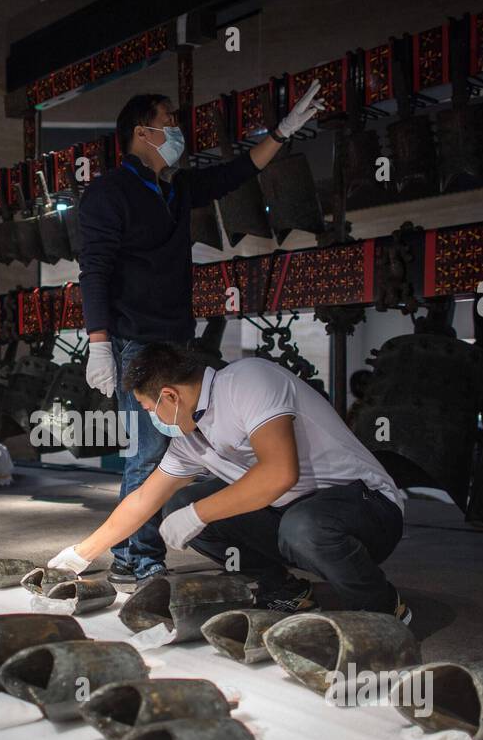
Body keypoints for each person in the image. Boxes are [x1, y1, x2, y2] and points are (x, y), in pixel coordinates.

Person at [78, 82, 324, 590]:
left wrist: (281, 132)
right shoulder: (108, 193)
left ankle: (147, 545)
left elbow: (236, 173)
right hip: (135, 341)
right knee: (149, 452)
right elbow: (95, 270)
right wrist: (99, 341)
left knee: (181, 446)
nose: (177, 129)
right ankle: (135, 556)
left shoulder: (175, 188)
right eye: (168, 120)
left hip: (175, 338)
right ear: (142, 133)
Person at [49, 345, 411, 620]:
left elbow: (279, 473)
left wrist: (199, 514)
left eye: (148, 408)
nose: (151, 417)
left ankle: (381, 609)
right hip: (294, 514)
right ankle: (285, 591)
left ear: (170, 396)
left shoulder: (248, 381)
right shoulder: (190, 437)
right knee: (178, 502)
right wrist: (79, 555)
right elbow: (144, 498)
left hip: (367, 509)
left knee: (295, 525)